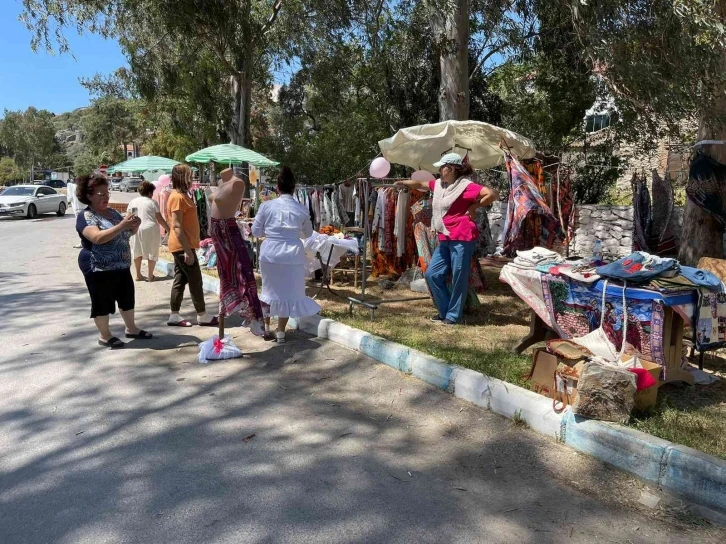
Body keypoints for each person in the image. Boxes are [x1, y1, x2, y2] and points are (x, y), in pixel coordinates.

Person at [397, 153, 499, 325]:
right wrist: (402, 183)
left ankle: (453, 316)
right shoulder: (439, 185)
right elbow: (421, 184)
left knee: (459, 276)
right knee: (432, 274)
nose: (438, 169)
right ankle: (445, 311)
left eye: (441, 166)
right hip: (445, 237)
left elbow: (492, 193)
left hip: (463, 236)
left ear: (450, 168)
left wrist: (475, 206)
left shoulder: (466, 186)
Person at [75, 173, 152, 348]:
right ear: (89, 196)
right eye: (101, 194)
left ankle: (131, 328)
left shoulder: (113, 213)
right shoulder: (86, 216)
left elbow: (125, 234)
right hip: (98, 266)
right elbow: (96, 237)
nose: (106, 196)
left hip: (121, 264)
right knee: (102, 300)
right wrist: (122, 225)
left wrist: (134, 226)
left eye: (107, 192)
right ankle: (105, 335)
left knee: (126, 297)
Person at [252, 166, 320, 343]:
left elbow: (256, 231)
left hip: (270, 254)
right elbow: (308, 234)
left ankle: (266, 328)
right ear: (294, 188)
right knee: (288, 293)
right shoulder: (302, 208)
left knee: (268, 291)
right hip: (292, 255)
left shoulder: (266, 206)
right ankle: (281, 331)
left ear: (277, 187)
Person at [209, 168, 266, 336]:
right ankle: (234, 309)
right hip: (218, 234)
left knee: (241, 272)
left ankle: (254, 316)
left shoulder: (237, 183)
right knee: (224, 274)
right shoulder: (221, 183)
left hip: (228, 232)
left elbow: (222, 204)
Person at [166, 163, 218, 328]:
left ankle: (174, 315)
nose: (192, 178)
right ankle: (202, 315)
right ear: (182, 177)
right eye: (189, 175)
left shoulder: (184, 195)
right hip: (182, 246)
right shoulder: (177, 197)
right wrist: (187, 251)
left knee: (180, 280)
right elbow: (177, 226)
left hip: (185, 246)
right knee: (195, 280)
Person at [127, 181, 170, 282]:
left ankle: (138, 275)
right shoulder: (152, 202)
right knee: (152, 251)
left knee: (137, 251)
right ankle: (150, 276)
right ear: (150, 193)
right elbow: (160, 219)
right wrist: (169, 230)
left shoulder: (133, 201)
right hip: (151, 229)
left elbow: (130, 216)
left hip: (136, 228)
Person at [67, 176, 84, 248]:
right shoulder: (85, 186)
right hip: (86, 208)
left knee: (81, 226)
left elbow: (69, 198)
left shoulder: (70, 186)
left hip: (78, 209)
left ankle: (83, 242)